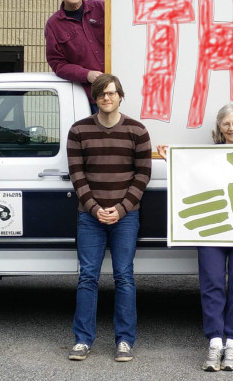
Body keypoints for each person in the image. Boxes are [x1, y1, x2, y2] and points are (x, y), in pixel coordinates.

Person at [156, 102, 233, 372]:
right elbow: (189, 177)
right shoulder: (206, 155)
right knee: (211, 284)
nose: (232, 127)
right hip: (212, 231)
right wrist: (171, 161)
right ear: (219, 128)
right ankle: (214, 342)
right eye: (226, 123)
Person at [66, 73, 151, 363]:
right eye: (102, 93)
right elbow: (77, 174)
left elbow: (143, 175)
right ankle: (82, 340)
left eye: (112, 93)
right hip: (89, 217)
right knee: (87, 277)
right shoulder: (78, 131)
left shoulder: (138, 131)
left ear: (120, 96)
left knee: (124, 276)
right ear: (95, 97)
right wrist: (94, 208)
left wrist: (122, 208)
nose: (106, 98)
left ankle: (125, 341)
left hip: (125, 217)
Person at [44, 0, 120, 109]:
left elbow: (126, 15)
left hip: (119, 93)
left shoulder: (100, 7)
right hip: (90, 99)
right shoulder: (54, 25)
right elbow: (58, 64)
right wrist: (87, 74)